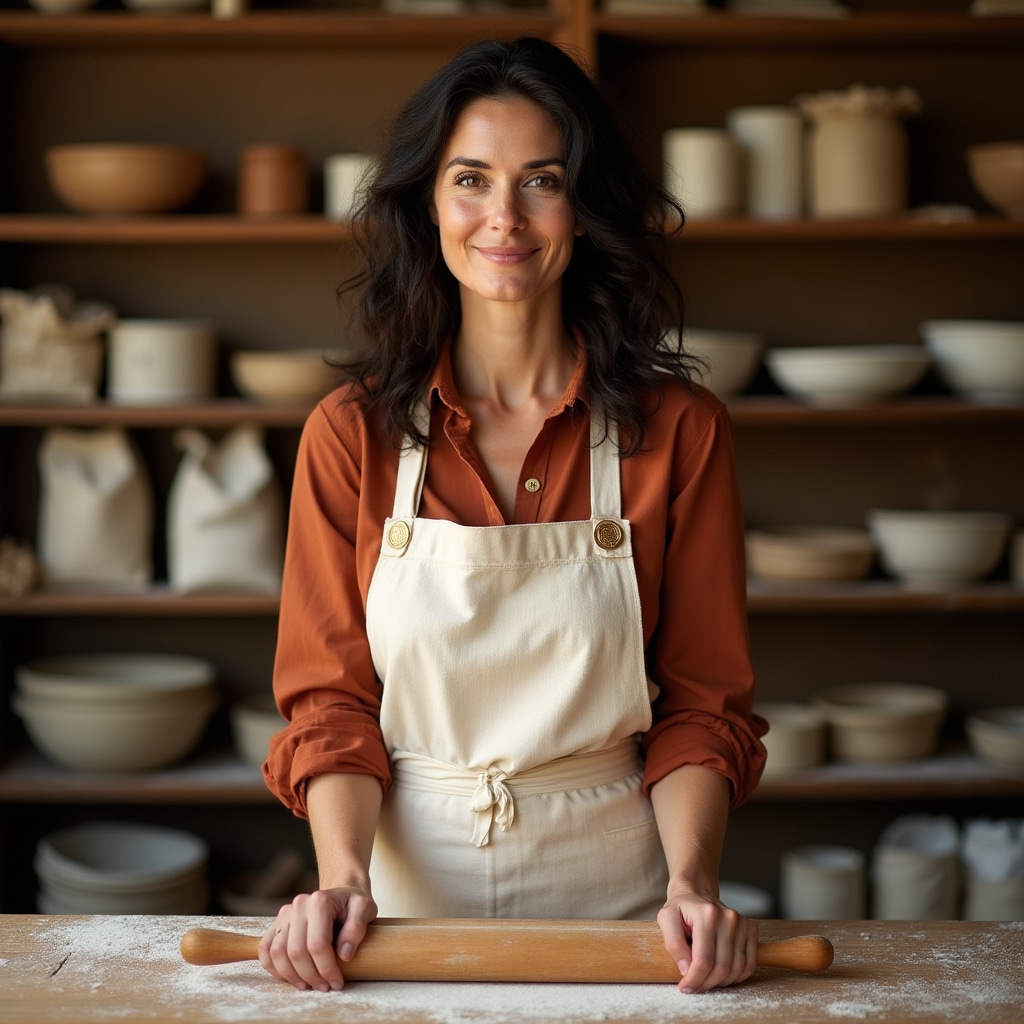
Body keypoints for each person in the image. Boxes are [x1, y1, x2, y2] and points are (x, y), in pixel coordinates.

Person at [260, 35, 767, 996]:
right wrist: (341, 880)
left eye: (541, 179)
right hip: (397, 914)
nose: (504, 217)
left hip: (623, 915)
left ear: (585, 207)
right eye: (470, 179)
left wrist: (695, 886)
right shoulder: (351, 435)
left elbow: (703, 706)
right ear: (427, 204)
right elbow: (331, 705)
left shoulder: (680, 431)